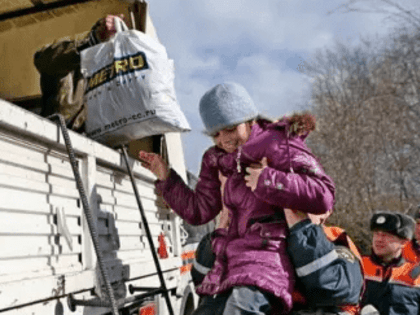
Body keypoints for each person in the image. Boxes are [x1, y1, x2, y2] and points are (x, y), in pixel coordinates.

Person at [139, 82, 335, 314]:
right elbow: (199, 211)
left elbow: (324, 194)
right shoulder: (214, 159)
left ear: (249, 120)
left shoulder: (278, 143)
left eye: (230, 129)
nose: (224, 140)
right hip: (228, 260)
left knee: (239, 309)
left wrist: (268, 180)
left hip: (269, 257)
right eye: (216, 134)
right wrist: (167, 178)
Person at [33, 14, 123, 132]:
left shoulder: (113, 77)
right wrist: (91, 43)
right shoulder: (70, 61)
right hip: (54, 134)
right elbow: (42, 60)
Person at [284, 209, 364, 315]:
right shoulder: (278, 238)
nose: (295, 211)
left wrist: (302, 229)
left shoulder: (336, 240)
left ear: (327, 212)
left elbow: (334, 288)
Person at [361, 211, 420, 315]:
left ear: (404, 242)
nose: (379, 239)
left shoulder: (416, 276)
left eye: (386, 235)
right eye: (376, 234)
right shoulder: (358, 267)